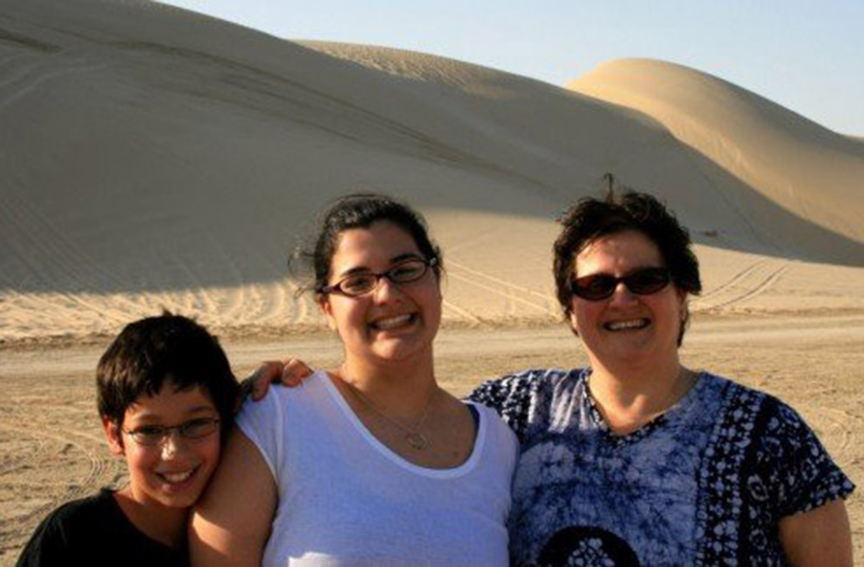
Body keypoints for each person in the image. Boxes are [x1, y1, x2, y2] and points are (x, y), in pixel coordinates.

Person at [468, 189, 855, 565]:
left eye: (646, 280)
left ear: (682, 294)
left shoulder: (770, 434)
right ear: (570, 308)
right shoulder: (513, 412)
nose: (621, 299)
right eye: (596, 286)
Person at [190, 194, 518, 565]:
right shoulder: (275, 418)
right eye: (357, 282)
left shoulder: (497, 443)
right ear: (326, 308)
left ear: (437, 279)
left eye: (406, 269)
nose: (387, 294)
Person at [17, 313, 239, 567]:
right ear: (114, 435)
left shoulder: (255, 522)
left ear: (227, 419)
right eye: (149, 430)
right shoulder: (74, 537)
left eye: (196, 424)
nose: (174, 451)